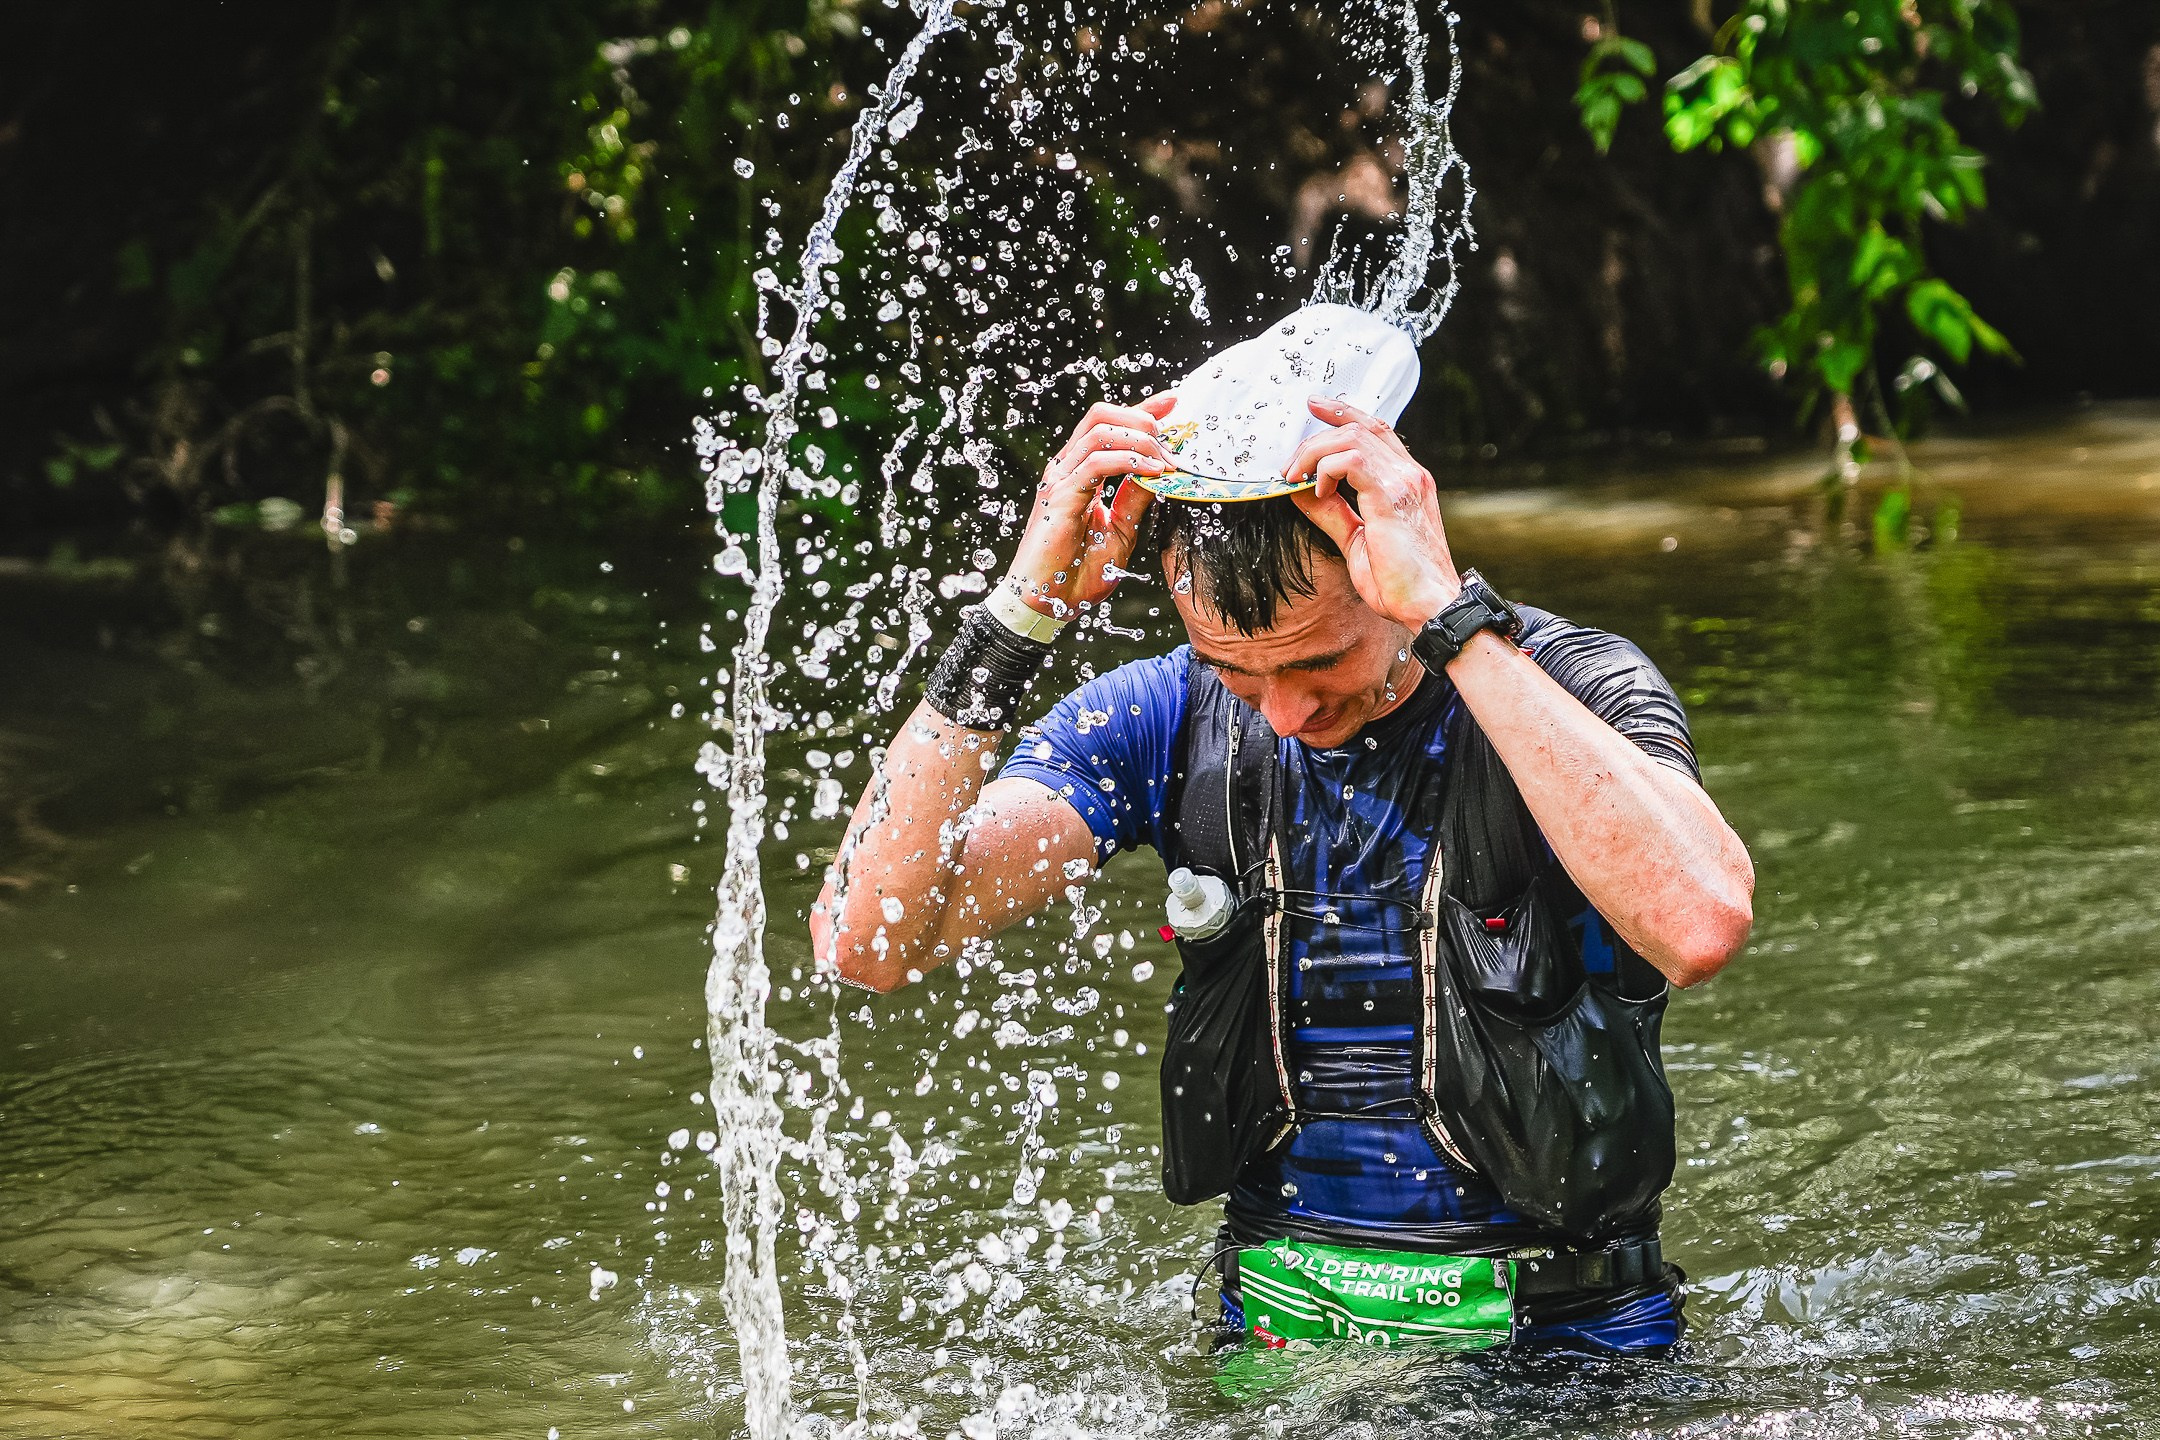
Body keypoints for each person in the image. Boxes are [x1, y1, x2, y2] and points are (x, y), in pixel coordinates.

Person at [810, 366, 1755, 1354]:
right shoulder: (1165, 717)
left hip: (1573, 1349)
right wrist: (1016, 619)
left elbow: (1700, 922)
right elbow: (865, 935)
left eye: (1316, 663)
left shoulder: (1569, 685)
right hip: (1274, 1349)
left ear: (1390, 565)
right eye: (1235, 671)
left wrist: (1450, 614)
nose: (1289, 715)